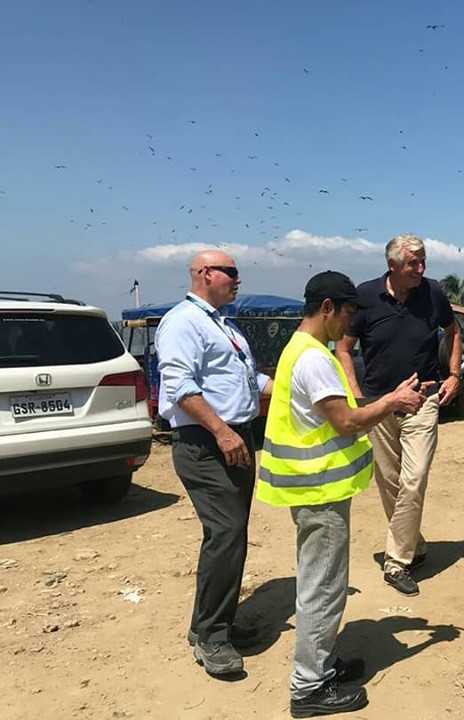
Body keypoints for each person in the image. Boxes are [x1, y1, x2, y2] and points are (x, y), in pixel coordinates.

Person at [257, 271, 427, 717]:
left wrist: (390, 397)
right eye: (349, 312)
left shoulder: (301, 349)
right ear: (328, 307)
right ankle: (309, 687)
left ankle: (323, 663)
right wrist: (392, 402)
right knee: (324, 587)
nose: (351, 322)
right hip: (320, 492)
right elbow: (347, 422)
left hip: (315, 488)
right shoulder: (314, 359)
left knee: (322, 582)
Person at [155, 249, 273, 677]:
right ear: (205, 273)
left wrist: (296, 387)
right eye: (231, 272)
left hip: (235, 438)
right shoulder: (183, 323)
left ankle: (211, 622)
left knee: (230, 535)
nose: (238, 280)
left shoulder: (223, 324)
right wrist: (222, 432)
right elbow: (180, 386)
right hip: (207, 442)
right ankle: (212, 637)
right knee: (226, 533)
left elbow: (248, 379)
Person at [335, 234, 463, 597]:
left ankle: (396, 561)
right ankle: (414, 544)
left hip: (423, 399)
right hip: (379, 403)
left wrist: (454, 375)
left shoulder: (433, 292)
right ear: (392, 265)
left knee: (414, 478)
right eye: (413, 263)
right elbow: (344, 348)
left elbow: (453, 331)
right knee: (390, 482)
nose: (421, 268)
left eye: (423, 261)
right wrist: (356, 395)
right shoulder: (366, 295)